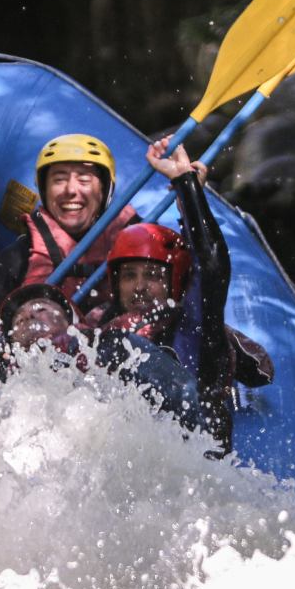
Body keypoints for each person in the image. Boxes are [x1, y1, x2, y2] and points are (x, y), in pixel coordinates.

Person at [81, 137, 274, 455]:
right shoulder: (100, 322)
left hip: (193, 458)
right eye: (129, 275)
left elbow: (211, 268)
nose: (140, 286)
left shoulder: (196, 325)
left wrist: (187, 186)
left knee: (120, 345)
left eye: (154, 276)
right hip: (121, 456)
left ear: (177, 282)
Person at [0, 284, 205, 435]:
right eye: (18, 319)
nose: (28, 315)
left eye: (41, 309)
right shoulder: (7, 381)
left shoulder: (110, 346)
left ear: (72, 321)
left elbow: (183, 394)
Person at [0, 134, 138, 315]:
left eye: (84, 180)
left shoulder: (138, 242)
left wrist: (180, 180)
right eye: (59, 179)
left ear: (104, 190)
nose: (71, 190)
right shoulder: (14, 261)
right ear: (44, 190)